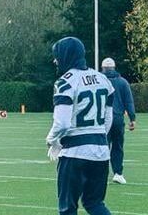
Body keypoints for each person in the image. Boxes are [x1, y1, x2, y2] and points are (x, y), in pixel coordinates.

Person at [46, 37, 114, 215]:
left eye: (57, 56)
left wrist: (51, 140)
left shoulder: (65, 82)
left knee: (67, 208)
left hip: (74, 153)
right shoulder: (103, 79)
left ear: (66, 55)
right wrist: (97, 137)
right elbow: (108, 119)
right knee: (95, 204)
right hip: (101, 152)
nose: (55, 61)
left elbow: (62, 123)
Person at [99, 58, 136, 184]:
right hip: (118, 118)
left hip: (103, 119)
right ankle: (118, 173)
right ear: (114, 68)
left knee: (103, 147)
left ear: (103, 68)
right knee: (118, 146)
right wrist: (132, 118)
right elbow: (129, 102)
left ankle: (101, 174)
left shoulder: (99, 81)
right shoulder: (123, 82)